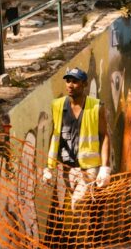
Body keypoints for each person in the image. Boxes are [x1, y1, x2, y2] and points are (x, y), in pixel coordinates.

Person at [42, 67, 111, 207]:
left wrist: (105, 168)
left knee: (78, 203)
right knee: (86, 207)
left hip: (89, 167)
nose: (70, 85)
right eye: (68, 81)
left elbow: (104, 136)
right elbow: (55, 137)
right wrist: (49, 167)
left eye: (75, 81)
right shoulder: (57, 105)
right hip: (68, 167)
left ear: (84, 84)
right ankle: (94, 227)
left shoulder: (96, 107)